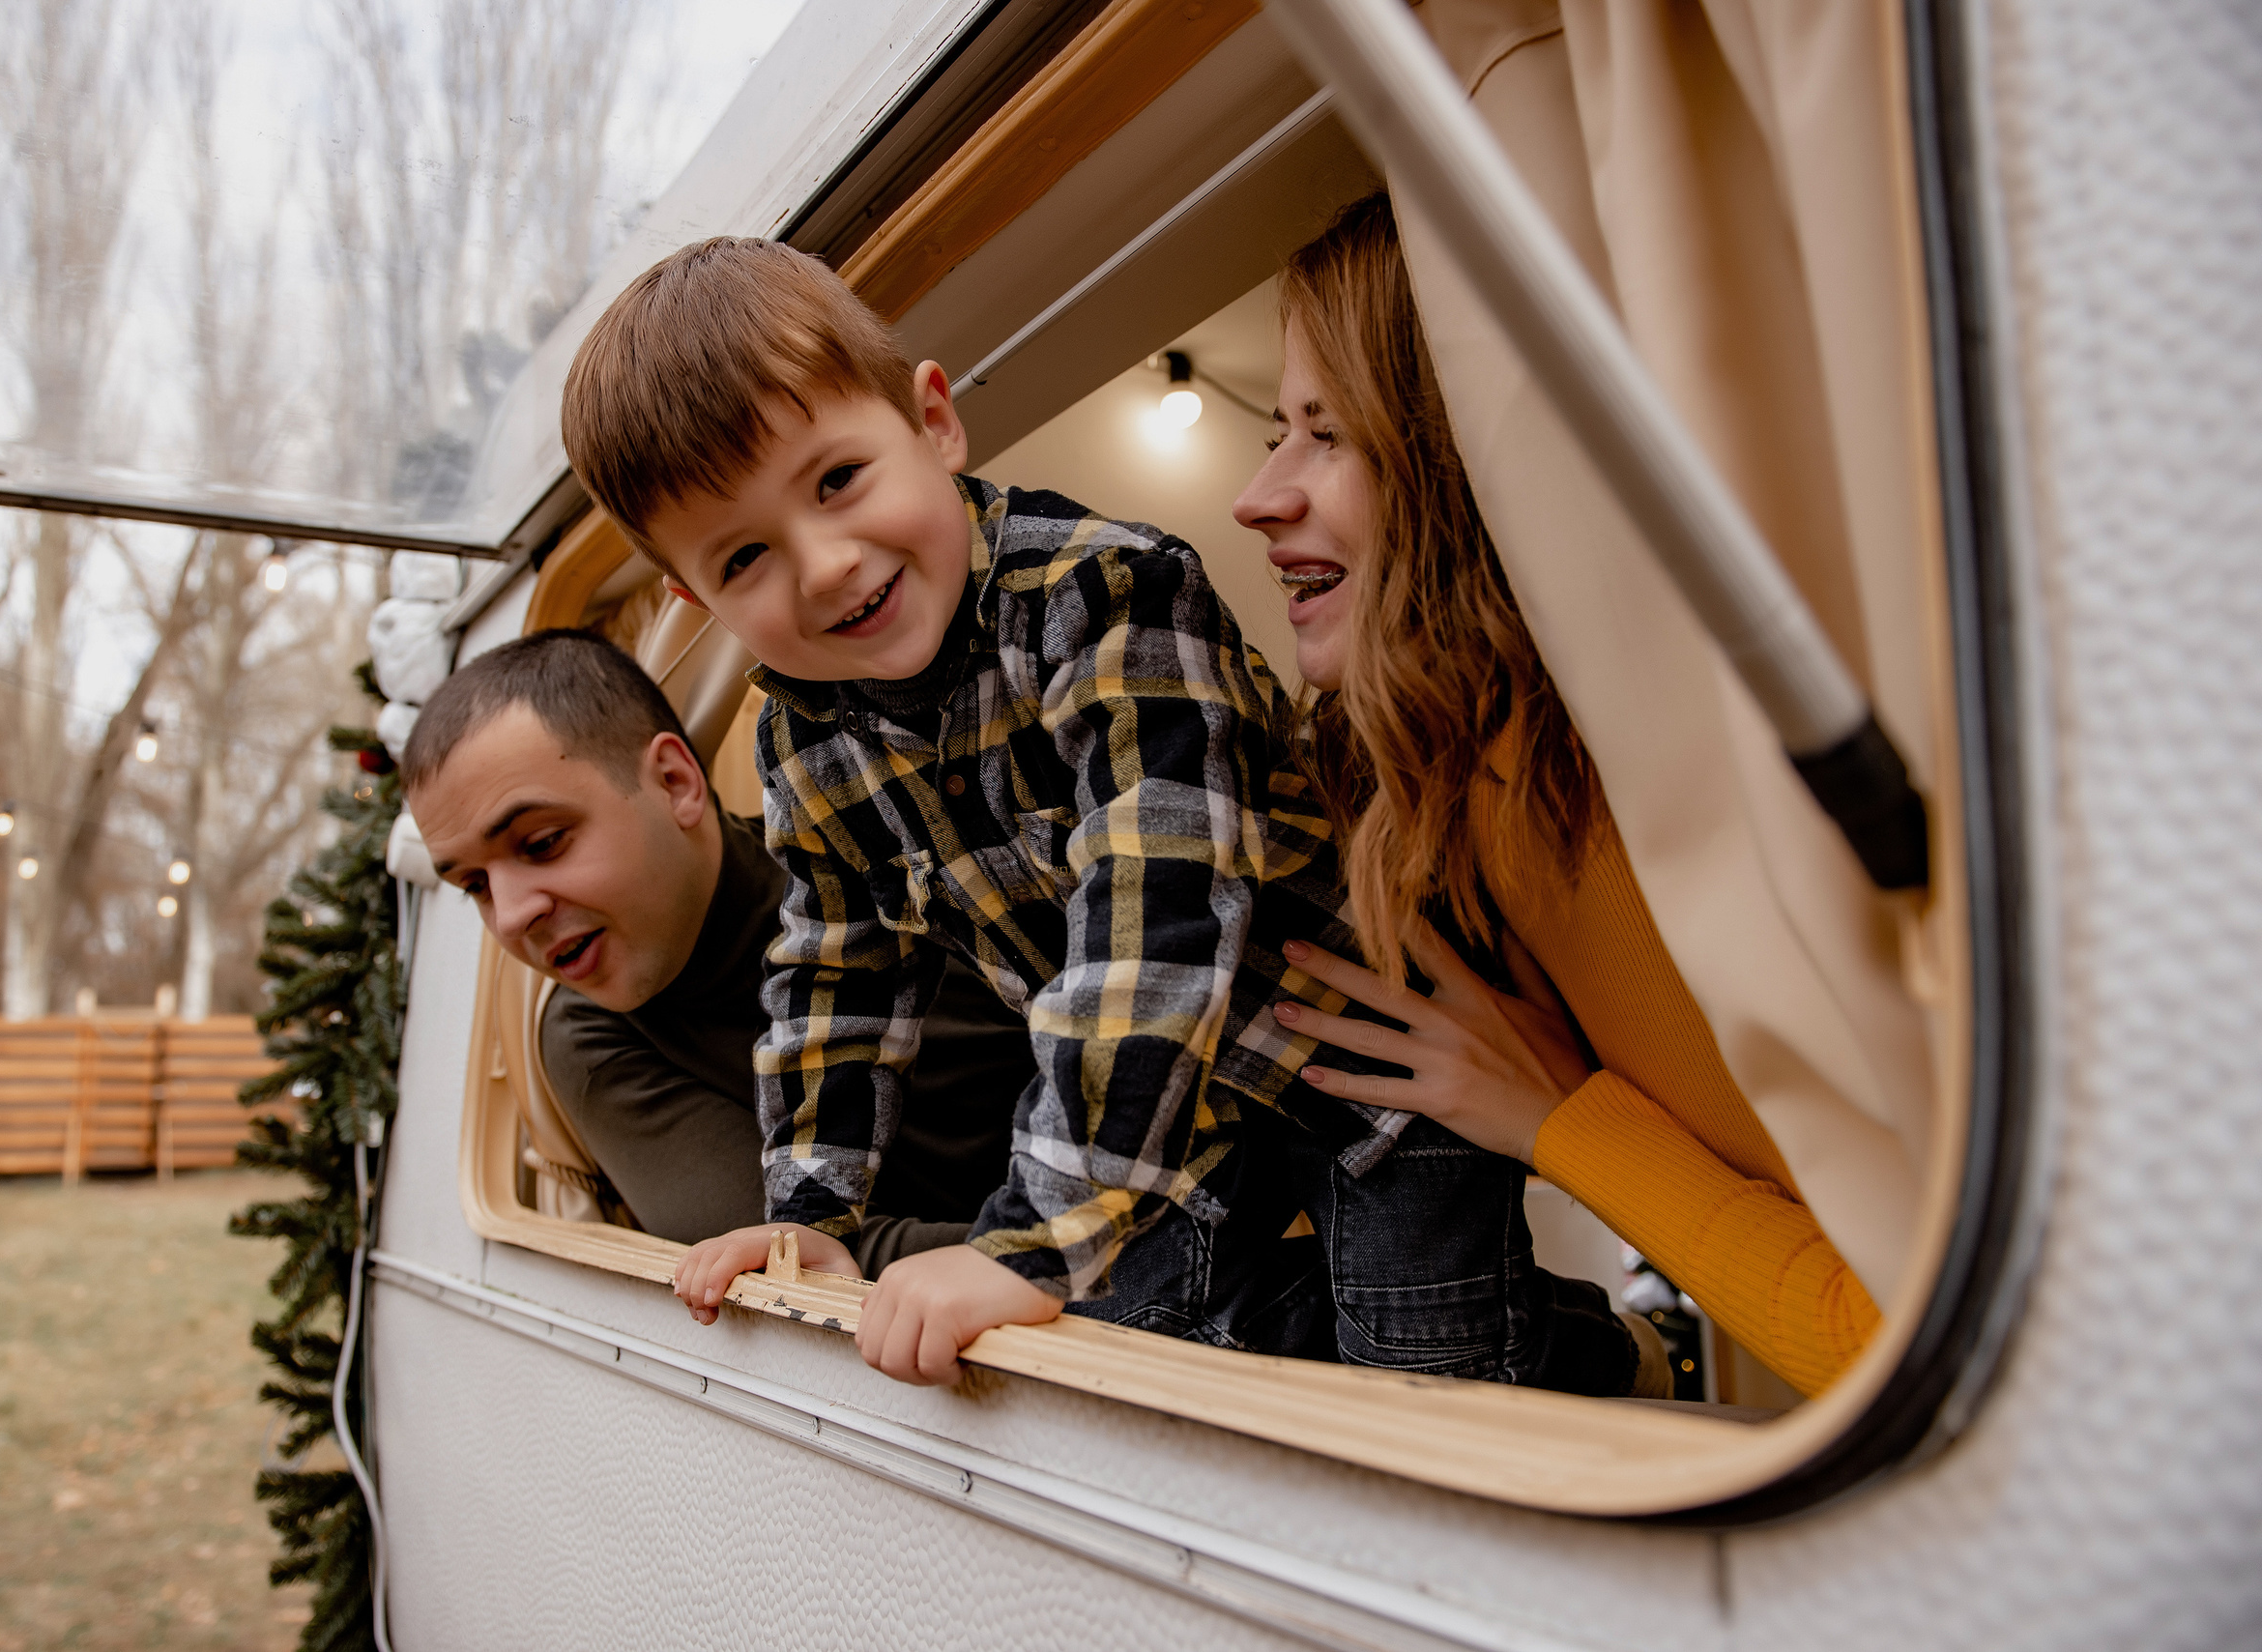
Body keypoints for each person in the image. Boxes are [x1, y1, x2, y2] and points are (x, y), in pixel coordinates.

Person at [559, 235, 1648, 1395]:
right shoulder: (799, 735)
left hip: (1371, 1071)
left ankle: (1586, 1355)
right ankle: (1519, 1326)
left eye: (837, 481)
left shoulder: (1107, 595)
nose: (825, 564)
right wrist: (812, 1215)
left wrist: (1031, 1239)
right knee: (1135, 1344)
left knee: (1426, 1384)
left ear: (932, 422)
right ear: (696, 596)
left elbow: (1155, 925)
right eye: (744, 556)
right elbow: (839, 971)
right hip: (1176, 1111)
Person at [1233, 192, 1879, 1398]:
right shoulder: (1455, 800)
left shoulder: (1706, 778)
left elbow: (1903, 1343)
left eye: (1327, 434)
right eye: (1275, 431)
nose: (1258, 496)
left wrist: (1561, 1119)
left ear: (1465, 462)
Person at [400, 628, 1041, 1312]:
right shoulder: (593, 1038)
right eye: (474, 884)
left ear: (675, 781)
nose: (509, 916)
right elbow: (805, 1267)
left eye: (542, 842)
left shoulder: (892, 862)